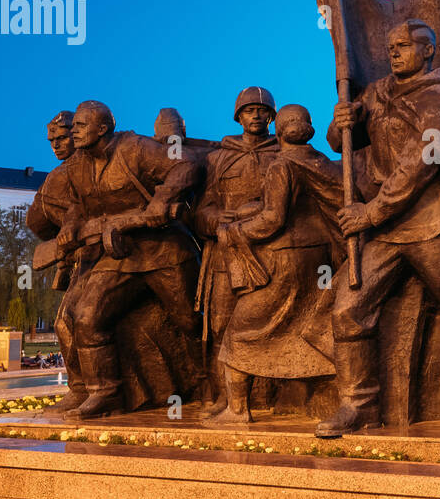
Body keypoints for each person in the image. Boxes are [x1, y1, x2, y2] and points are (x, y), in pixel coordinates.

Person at [318, 19, 440, 436]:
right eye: (390, 46)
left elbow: (421, 162)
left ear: (427, 51)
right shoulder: (376, 93)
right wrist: (344, 120)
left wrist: (371, 212)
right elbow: (341, 144)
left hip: (432, 220)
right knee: (347, 310)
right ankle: (358, 405)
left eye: (403, 46)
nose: (393, 53)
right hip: (385, 226)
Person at [56, 100, 204, 418]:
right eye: (75, 126)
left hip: (164, 251)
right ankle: (105, 392)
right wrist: (70, 226)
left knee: (191, 321)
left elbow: (187, 165)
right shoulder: (78, 165)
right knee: (87, 315)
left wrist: (162, 200)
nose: (74, 131)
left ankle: (211, 383)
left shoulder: (136, 147)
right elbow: (77, 205)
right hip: (119, 254)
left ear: (104, 128)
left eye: (81, 125)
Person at [209, 104, 342, 423]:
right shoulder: (323, 162)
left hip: (284, 258)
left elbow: (273, 218)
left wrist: (233, 231)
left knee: (240, 332)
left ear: (277, 129)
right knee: (307, 328)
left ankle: (237, 410)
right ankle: (323, 402)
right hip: (320, 258)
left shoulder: (280, 165)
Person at [193, 88, 279, 413]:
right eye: (249, 110)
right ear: (238, 117)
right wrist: (215, 218)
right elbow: (200, 210)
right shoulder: (218, 158)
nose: (256, 115)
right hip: (225, 255)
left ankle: (263, 399)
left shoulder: (282, 153)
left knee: (263, 327)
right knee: (220, 327)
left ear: (271, 117)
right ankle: (224, 398)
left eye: (262, 110)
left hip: (269, 253)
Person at [24, 111, 90, 412]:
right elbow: (36, 221)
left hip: (108, 255)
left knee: (75, 321)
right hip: (81, 259)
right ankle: (81, 389)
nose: (56, 145)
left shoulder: (91, 169)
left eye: (61, 138)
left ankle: (92, 390)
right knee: (64, 323)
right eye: (52, 140)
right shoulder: (57, 176)